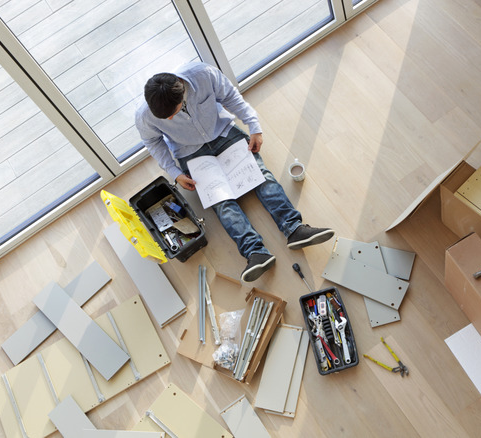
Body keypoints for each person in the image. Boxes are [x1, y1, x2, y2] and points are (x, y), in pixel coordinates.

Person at [134, 62, 335, 282]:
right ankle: (255, 253)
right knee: (220, 200)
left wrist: (254, 127)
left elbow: (230, 97)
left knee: (260, 176)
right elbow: (153, 142)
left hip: (224, 132)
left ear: (182, 90)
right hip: (189, 151)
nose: (170, 119)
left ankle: (294, 228)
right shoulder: (144, 116)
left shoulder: (203, 74)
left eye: (173, 113)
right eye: (166, 119)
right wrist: (174, 172)